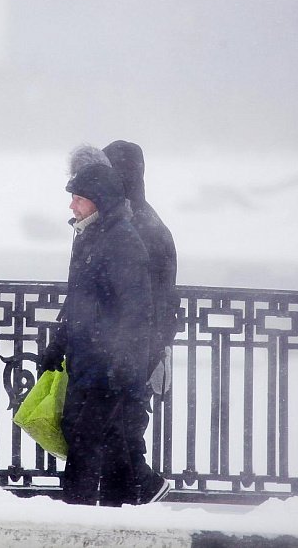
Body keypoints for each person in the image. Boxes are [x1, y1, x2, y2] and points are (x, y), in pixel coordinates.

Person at [40, 162, 155, 506]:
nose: (71, 206)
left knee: (86, 445)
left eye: (77, 199)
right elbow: (78, 302)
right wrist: (58, 345)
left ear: (99, 200)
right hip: (88, 362)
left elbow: (135, 309)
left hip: (108, 368)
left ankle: (79, 517)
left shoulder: (121, 241)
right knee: (105, 444)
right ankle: (115, 515)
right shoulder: (90, 235)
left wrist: (120, 362)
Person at [103, 139, 178, 505]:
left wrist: (151, 349)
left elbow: (153, 297)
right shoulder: (142, 219)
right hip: (134, 342)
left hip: (133, 344)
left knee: (120, 424)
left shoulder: (134, 224)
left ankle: (142, 487)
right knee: (121, 424)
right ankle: (132, 493)